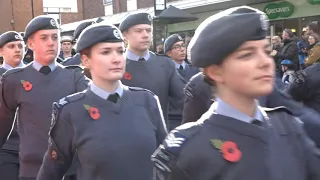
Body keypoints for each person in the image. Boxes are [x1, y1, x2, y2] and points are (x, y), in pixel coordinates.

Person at [152, 6, 320, 180]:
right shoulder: (186, 151)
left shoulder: (288, 126)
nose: (265, 62)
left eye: (266, 51)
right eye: (247, 55)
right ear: (215, 71)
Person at [36, 23, 167, 180]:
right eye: (106, 52)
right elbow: (51, 172)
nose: (116, 59)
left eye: (120, 51)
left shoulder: (147, 101)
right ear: (86, 60)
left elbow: (166, 164)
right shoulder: (71, 111)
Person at [0, 15, 90, 180]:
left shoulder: (74, 76)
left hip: (69, 169)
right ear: (31, 44)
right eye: (44, 38)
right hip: (33, 168)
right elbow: (3, 124)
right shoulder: (13, 79)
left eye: (55, 37)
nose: (51, 42)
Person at [119, 13, 185, 122]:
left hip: (158, 133)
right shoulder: (116, 64)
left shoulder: (165, 64)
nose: (145, 35)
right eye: (138, 31)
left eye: (148, 30)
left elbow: (182, 100)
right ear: (125, 35)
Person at [0, 31, 25, 180]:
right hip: (6, 146)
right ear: (1, 51)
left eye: (20, 46)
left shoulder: (36, 74)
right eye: (11, 46)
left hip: (35, 145)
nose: (17, 49)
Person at [164, 34, 199, 130]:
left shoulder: (195, 69)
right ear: (168, 53)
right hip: (173, 120)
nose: (182, 49)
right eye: (177, 47)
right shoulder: (165, 72)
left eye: (183, 45)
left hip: (194, 119)